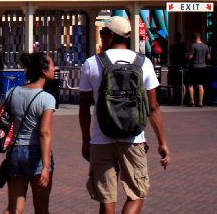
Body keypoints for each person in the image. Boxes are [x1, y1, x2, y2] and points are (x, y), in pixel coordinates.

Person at [79, 16, 170, 214]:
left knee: (106, 198)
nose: (101, 37)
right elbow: (153, 107)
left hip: (101, 138)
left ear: (110, 36)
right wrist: (162, 141)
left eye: (103, 33)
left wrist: (86, 140)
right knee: (136, 194)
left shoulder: (92, 63)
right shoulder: (143, 63)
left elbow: (84, 107)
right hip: (134, 138)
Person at [0, 51, 56, 214]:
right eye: (52, 66)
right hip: (36, 154)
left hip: (14, 152)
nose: (55, 69)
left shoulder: (13, 92)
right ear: (44, 71)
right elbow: (44, 133)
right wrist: (46, 167)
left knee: (14, 208)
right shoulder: (46, 98)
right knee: (41, 208)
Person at [185, 33, 209, 108]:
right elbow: (208, 57)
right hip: (203, 67)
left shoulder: (193, 46)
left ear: (194, 39)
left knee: (190, 84)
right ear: (199, 37)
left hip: (194, 67)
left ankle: (192, 100)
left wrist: (187, 54)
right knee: (200, 85)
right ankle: (200, 102)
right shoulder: (205, 46)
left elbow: (190, 57)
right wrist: (204, 61)